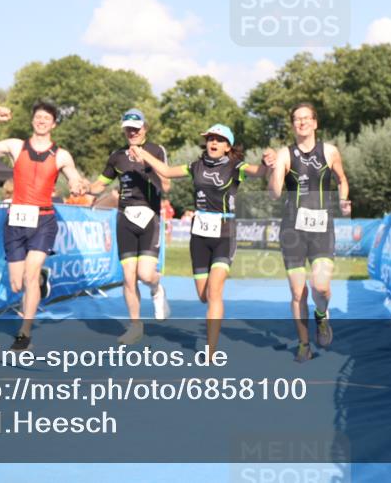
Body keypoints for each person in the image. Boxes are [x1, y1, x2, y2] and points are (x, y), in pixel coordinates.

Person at [131, 124, 275, 355]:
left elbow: (260, 172)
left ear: (227, 147)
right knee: (203, 296)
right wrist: (142, 152)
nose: (213, 143)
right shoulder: (195, 166)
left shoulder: (235, 166)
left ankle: (211, 349)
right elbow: (166, 172)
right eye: (210, 139)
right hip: (198, 236)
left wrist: (270, 161)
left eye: (219, 140)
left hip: (225, 234)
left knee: (215, 291)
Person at [0, 101, 86, 351]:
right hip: (16, 221)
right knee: (16, 283)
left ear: (54, 124)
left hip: (43, 221)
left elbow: (74, 176)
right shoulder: (15, 146)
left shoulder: (61, 154)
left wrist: (76, 184)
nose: (42, 121)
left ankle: (24, 334)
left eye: (47, 118)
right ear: (33, 121)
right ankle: (41, 280)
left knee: (29, 276)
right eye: (38, 117)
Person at [269, 103, 350, 363]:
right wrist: (272, 170)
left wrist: (344, 200)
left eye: (306, 118)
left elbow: (341, 180)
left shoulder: (329, 151)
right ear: (292, 125)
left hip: (321, 228)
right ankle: (304, 344)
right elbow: (275, 193)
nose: (301, 123)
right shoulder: (284, 154)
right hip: (292, 229)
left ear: (315, 123)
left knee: (321, 287)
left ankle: (322, 316)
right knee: (297, 292)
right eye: (296, 119)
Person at [84, 109, 172, 345]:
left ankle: (156, 287)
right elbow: (99, 185)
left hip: (149, 217)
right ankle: (135, 325)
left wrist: (147, 162)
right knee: (128, 277)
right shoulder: (116, 156)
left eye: (137, 127)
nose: (132, 132)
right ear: (124, 129)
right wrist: (84, 186)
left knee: (145, 274)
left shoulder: (156, 150)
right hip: (125, 218)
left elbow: (167, 186)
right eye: (128, 128)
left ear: (145, 128)